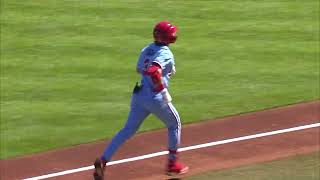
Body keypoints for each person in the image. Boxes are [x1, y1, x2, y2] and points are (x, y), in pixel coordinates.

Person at [93, 20, 189, 180]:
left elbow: (140, 69)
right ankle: (172, 164)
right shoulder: (165, 53)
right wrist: (163, 91)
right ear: (167, 37)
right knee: (174, 124)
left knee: (127, 130)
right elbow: (153, 71)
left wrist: (166, 70)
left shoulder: (146, 49)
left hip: (139, 96)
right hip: (155, 97)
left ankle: (103, 160)